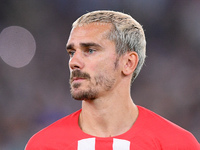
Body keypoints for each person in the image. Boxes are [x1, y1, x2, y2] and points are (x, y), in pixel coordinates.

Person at [25, 10, 200, 150]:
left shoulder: (176, 144)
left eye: (90, 50)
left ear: (128, 63)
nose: (74, 62)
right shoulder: (44, 145)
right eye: (72, 52)